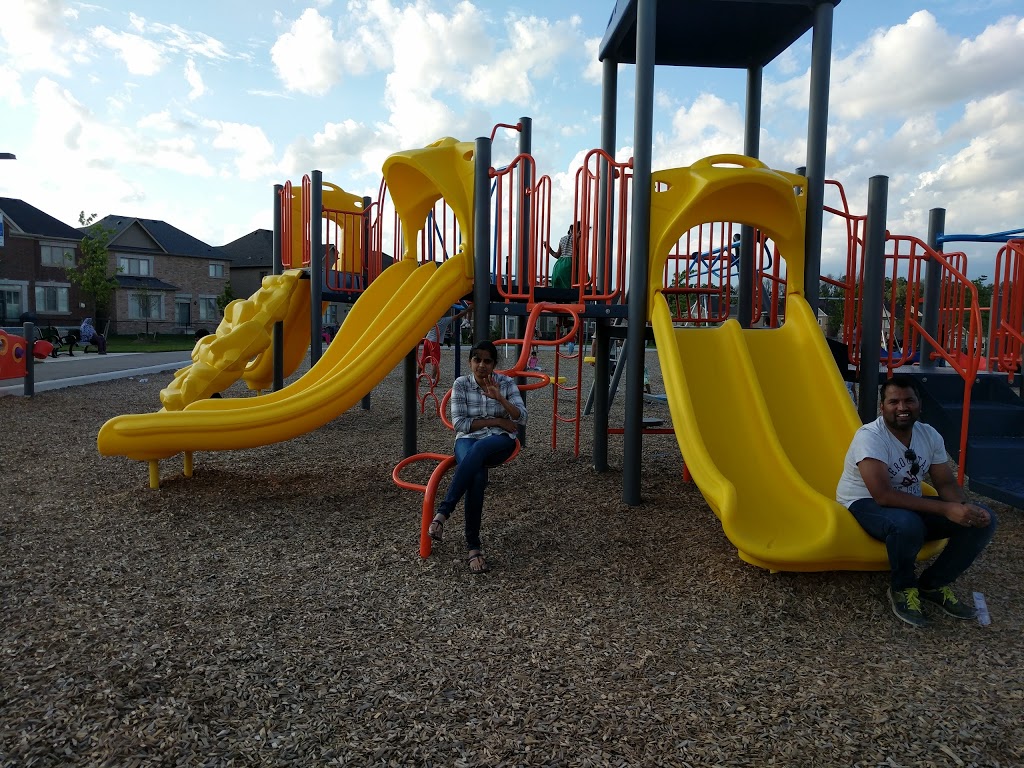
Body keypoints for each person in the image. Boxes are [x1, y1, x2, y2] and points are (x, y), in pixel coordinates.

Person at [836, 374, 996, 628]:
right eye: (893, 402)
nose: (902, 408)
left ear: (919, 403)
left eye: (909, 400)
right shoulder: (870, 436)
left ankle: (932, 585)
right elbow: (883, 495)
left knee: (982, 521)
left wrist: (964, 509)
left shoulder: (928, 434)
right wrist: (946, 509)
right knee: (907, 524)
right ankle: (902, 588)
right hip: (864, 501)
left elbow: (944, 482)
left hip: (907, 501)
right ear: (882, 407)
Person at [427, 340, 527, 574]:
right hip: (468, 438)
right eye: (477, 360)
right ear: (470, 361)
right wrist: (497, 420)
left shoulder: (505, 383)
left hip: (499, 441)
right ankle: (474, 548)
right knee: (477, 478)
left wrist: (500, 399)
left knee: (479, 451)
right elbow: (459, 424)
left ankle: (442, 513)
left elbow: (521, 417)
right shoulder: (461, 384)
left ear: (494, 364)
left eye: (487, 361)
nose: (482, 365)